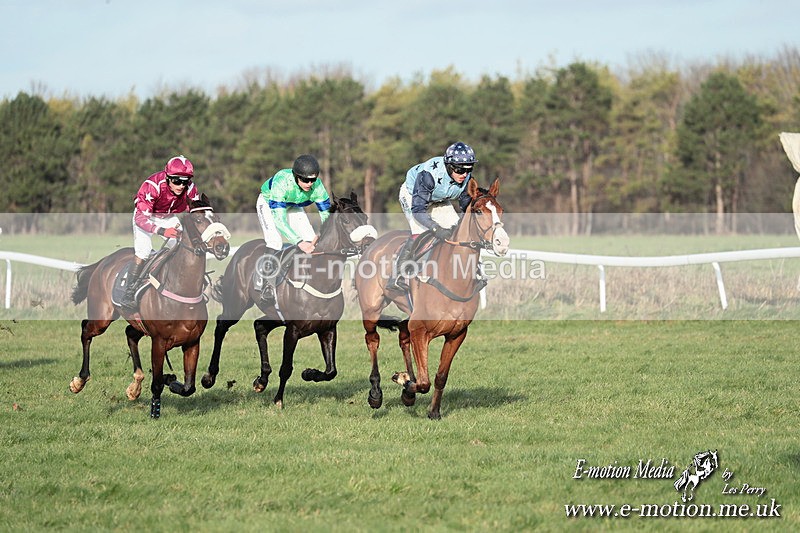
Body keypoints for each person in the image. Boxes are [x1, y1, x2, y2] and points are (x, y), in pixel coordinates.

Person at [387, 141, 478, 291]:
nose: (465, 174)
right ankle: (397, 275)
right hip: (413, 196)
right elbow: (418, 211)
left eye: (469, 169)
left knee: (456, 230)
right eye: (460, 169)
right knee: (421, 231)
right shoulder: (429, 175)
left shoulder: (466, 178)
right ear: (449, 166)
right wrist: (435, 228)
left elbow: (465, 207)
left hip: (437, 199)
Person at [119, 155, 201, 309]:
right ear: (167, 177)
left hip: (168, 217)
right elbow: (140, 218)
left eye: (185, 181)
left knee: (184, 246)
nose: (181, 185)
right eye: (176, 180)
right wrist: (162, 231)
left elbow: (196, 211)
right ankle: (129, 292)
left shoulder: (190, 188)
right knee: (143, 251)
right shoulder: (152, 186)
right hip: (146, 217)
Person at [255, 154, 332, 304]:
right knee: (275, 241)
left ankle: (308, 282)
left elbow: (327, 215)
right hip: (269, 204)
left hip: (292, 206)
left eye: (313, 179)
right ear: (296, 176)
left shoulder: (318, 187)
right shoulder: (282, 181)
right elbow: (279, 220)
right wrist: (298, 242)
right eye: (305, 180)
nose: (309, 183)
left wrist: (324, 233)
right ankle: (266, 285)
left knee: (311, 241)